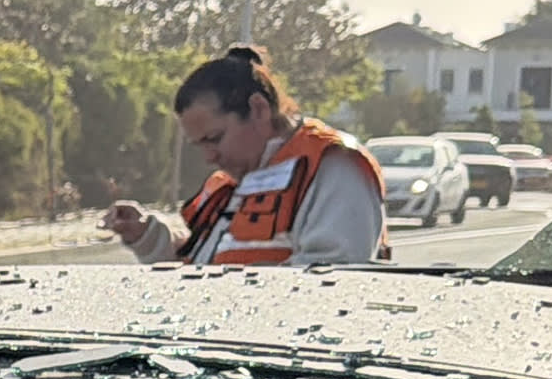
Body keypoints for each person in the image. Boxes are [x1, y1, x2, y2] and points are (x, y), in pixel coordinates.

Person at [102, 46, 388, 266]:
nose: (209, 157)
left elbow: (334, 281)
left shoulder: (333, 165)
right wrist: (146, 235)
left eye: (214, 139)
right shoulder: (232, 183)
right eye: (199, 145)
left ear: (259, 109)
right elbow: (199, 269)